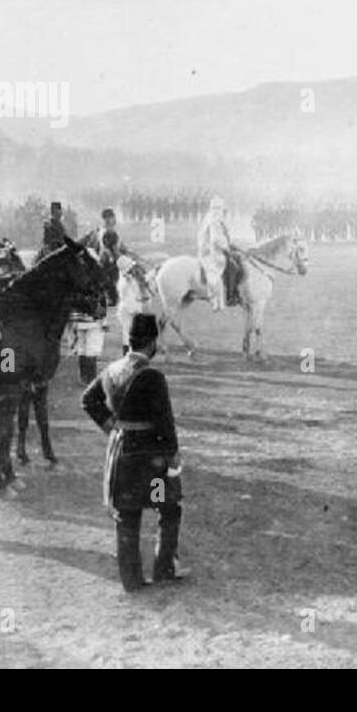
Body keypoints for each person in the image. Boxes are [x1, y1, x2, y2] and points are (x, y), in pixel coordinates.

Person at [81, 313, 188, 592]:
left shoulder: (112, 369)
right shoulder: (152, 375)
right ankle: (164, 568)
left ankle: (132, 580)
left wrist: (112, 426)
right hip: (151, 461)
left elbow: (88, 399)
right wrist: (172, 454)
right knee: (168, 508)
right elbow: (165, 420)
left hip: (121, 455)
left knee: (127, 514)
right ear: (152, 342)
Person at [196, 196, 236, 310]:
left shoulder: (211, 217)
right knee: (232, 266)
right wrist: (227, 247)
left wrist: (229, 243)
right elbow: (215, 239)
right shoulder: (214, 219)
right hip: (212, 252)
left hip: (211, 248)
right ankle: (227, 297)